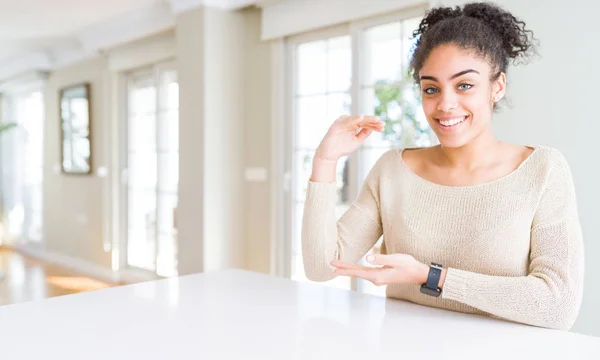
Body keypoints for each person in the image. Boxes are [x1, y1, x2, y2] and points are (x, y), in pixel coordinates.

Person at [301, 2, 584, 331]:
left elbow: (558, 304)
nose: (445, 104)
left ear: (498, 86)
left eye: (464, 85)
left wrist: (430, 276)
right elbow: (321, 266)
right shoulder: (392, 170)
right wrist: (325, 161)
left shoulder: (543, 170)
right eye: (431, 89)